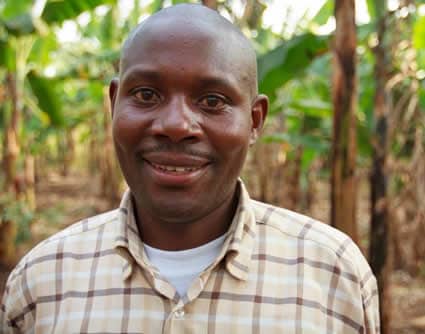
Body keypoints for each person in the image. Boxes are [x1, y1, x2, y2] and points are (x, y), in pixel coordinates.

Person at [1, 4, 380, 333]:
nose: (177, 125)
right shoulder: (41, 281)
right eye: (146, 95)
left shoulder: (334, 276)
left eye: (212, 100)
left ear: (255, 121)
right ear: (114, 104)